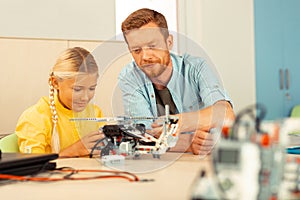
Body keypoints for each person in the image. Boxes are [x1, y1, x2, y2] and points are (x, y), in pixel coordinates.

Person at [118, 8, 235, 155]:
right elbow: (144, 136)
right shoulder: (129, 77)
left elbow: (226, 114)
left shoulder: (196, 68)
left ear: (169, 42)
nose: (145, 56)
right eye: (136, 50)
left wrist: (181, 123)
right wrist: (189, 142)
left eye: (152, 46)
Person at [16, 47, 104, 157]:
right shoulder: (35, 117)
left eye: (91, 89)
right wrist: (74, 150)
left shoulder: (95, 112)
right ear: (55, 82)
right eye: (77, 89)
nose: (85, 98)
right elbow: (31, 166)